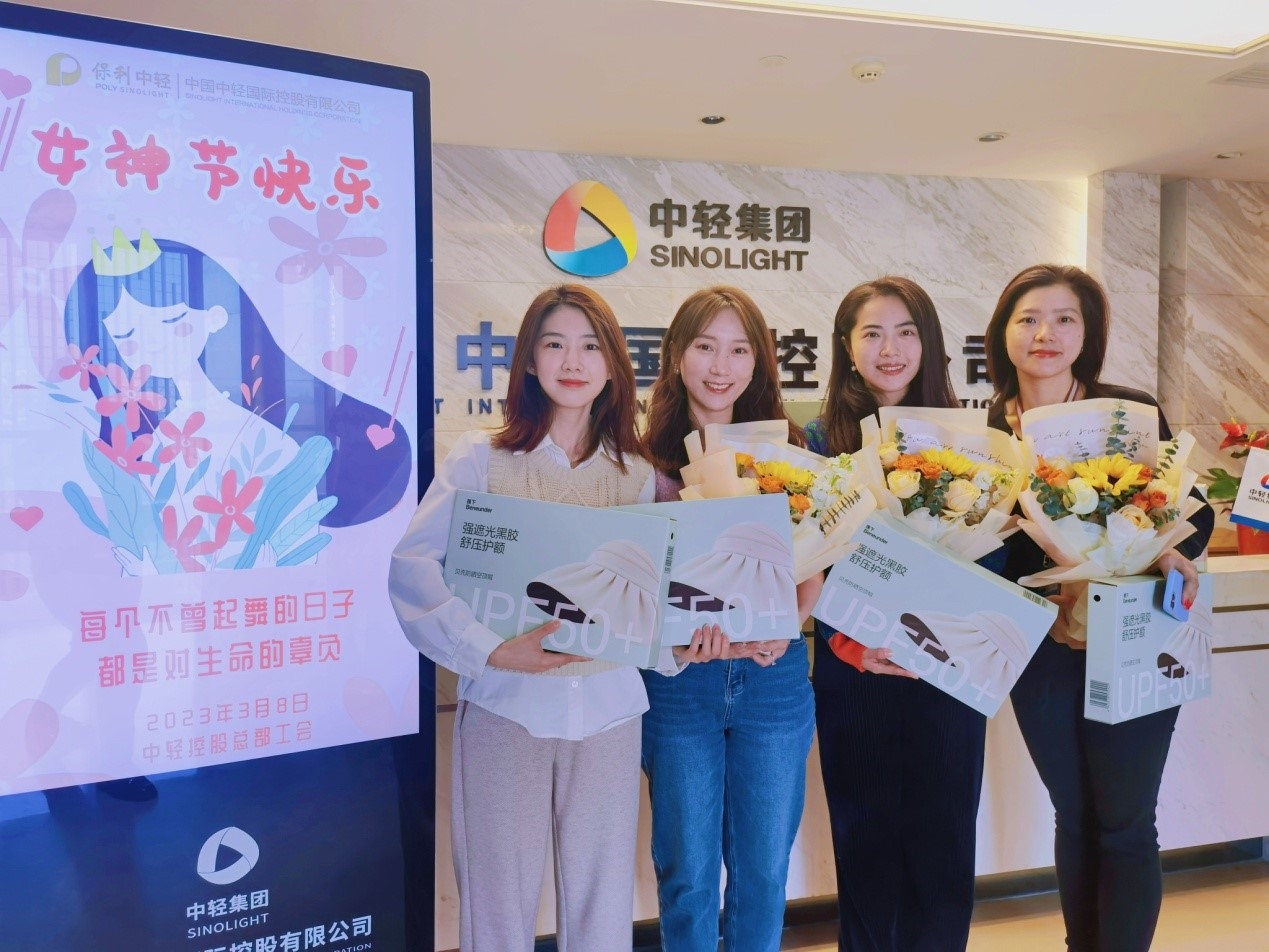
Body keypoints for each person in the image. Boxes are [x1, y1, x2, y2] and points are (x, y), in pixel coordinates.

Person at [389, 284, 654, 952]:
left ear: (613, 364)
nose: (573, 361)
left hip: (610, 713)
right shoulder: (479, 458)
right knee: (496, 906)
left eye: (591, 346)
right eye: (554, 343)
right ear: (530, 362)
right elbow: (413, 569)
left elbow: (653, 603)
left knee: (602, 909)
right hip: (506, 710)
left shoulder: (638, 475)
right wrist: (491, 651)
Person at [985, 264, 1214, 952]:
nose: (1045, 334)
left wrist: (1170, 550)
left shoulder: (1126, 413)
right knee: (1074, 814)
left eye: (1065, 319)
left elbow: (1192, 510)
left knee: (1125, 820)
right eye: (1028, 318)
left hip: (1133, 634)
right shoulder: (987, 431)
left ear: (1087, 335)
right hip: (1039, 646)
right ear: (1003, 332)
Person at [805, 276, 987, 952]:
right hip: (855, 670)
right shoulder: (815, 441)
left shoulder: (971, 442)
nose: (890, 349)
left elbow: (995, 555)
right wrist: (852, 644)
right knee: (865, 847)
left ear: (929, 343)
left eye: (906, 332)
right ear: (846, 347)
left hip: (946, 669)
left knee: (945, 846)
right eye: (872, 334)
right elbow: (804, 561)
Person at [640, 285, 820, 952]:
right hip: (678, 685)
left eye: (739, 350)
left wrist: (785, 624)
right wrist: (677, 643)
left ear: (760, 361)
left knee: (762, 873)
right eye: (705, 346)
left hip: (773, 679)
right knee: (687, 875)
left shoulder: (788, 448)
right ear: (675, 355)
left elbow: (813, 562)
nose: (721, 367)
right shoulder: (641, 459)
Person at [61, 233, 410, 573]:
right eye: (127, 338)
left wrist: (265, 569)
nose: (153, 344)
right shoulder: (150, 447)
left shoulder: (268, 441)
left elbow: (296, 550)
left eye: (172, 322)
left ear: (215, 316)